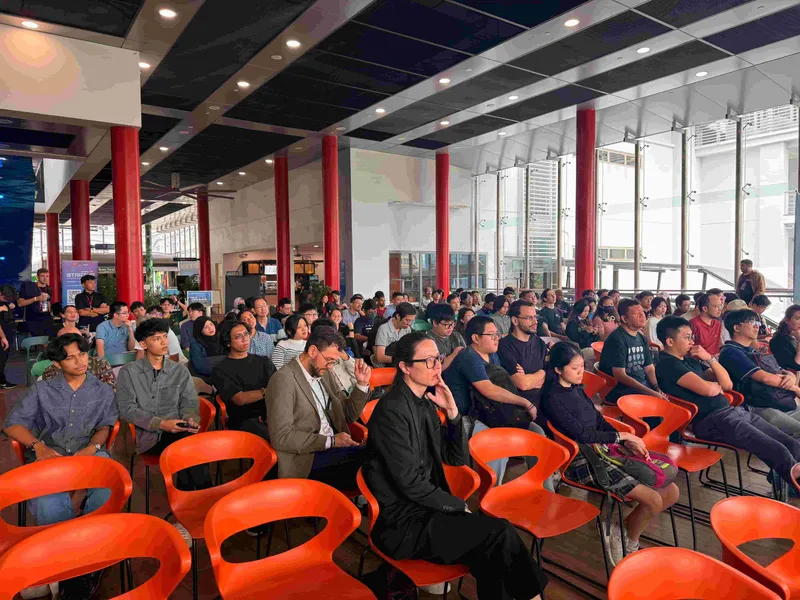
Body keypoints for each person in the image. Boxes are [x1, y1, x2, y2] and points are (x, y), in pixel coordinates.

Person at [363, 333, 548, 600]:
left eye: (437, 358)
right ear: (405, 367)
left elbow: (455, 459)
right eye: (428, 361)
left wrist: (452, 415)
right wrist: (455, 505)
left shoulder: (425, 404)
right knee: (497, 535)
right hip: (402, 521)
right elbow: (409, 483)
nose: (437, 366)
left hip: (428, 508)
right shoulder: (391, 411)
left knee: (495, 545)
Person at [542, 341, 679, 565]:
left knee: (671, 491)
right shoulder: (552, 397)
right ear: (558, 369)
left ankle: (621, 528)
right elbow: (582, 434)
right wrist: (620, 437)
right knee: (653, 500)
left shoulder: (576, 389)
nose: (581, 372)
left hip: (602, 448)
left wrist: (626, 441)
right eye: (575, 368)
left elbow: (598, 421)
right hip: (582, 458)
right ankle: (628, 539)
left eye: (582, 366)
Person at [3, 333, 118, 599]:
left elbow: (105, 425)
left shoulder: (101, 390)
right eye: (70, 358)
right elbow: (12, 425)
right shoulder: (42, 390)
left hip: (88, 453)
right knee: (48, 503)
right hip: (51, 455)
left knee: (108, 486)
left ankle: (89, 551)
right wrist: (38, 446)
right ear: (57, 363)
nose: (80, 361)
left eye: (82, 354)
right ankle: (73, 564)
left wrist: (93, 447)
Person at [656, 315, 800, 490]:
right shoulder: (667, 364)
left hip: (732, 412)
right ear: (670, 341)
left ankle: (790, 483)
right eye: (687, 337)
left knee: (790, 444)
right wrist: (712, 386)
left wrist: (709, 358)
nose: (692, 341)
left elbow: (726, 384)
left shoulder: (689, 361)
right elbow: (708, 390)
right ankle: (793, 485)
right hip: (711, 421)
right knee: (778, 451)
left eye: (691, 336)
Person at [442, 316, 550, 486]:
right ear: (475, 338)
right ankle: (492, 493)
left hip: (490, 411)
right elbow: (489, 389)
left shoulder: (491, 355)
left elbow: (501, 382)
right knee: (497, 449)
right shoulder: (469, 357)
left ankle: (541, 486)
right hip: (468, 418)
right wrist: (525, 403)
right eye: (491, 335)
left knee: (537, 434)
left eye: (497, 334)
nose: (496, 338)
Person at [116, 318, 211, 503]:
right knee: (190, 449)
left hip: (180, 430)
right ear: (143, 344)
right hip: (150, 436)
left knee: (189, 447)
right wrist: (162, 424)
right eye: (156, 338)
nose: (164, 342)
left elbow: (190, 402)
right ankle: (202, 503)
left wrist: (190, 418)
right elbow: (126, 409)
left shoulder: (179, 371)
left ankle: (191, 503)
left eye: (165, 337)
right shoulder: (129, 372)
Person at [266, 327, 372, 488]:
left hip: (333, 448)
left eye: (334, 362)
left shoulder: (324, 373)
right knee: (374, 463)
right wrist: (331, 441)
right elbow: (282, 437)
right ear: (313, 351)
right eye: (329, 360)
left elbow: (348, 415)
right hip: (306, 459)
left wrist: (362, 384)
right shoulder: (283, 380)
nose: (331, 366)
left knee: (378, 455)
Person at [720, 309, 800, 439]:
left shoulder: (751, 350)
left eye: (757, 322)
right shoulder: (731, 352)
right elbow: (764, 378)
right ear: (736, 328)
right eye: (751, 322)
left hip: (775, 399)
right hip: (755, 405)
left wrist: (790, 377)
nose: (757, 326)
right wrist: (793, 386)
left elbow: (781, 371)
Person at [212, 320, 276, 442]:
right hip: (245, 419)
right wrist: (267, 391)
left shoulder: (263, 361)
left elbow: (278, 385)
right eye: (238, 336)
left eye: (246, 334)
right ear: (228, 342)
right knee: (275, 438)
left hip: (272, 413)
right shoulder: (220, 369)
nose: (244, 339)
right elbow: (240, 399)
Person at [599, 299, 664, 404]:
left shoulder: (641, 338)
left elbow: (649, 368)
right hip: (621, 389)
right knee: (656, 403)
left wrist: (656, 388)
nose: (642, 316)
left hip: (641, 384)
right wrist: (650, 392)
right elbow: (620, 375)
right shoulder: (617, 339)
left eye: (642, 312)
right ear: (624, 319)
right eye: (636, 314)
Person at [497, 300, 547, 427]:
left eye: (535, 317)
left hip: (545, 400)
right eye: (529, 318)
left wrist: (534, 376)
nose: (535, 321)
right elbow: (523, 384)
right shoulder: (505, 346)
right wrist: (541, 373)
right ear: (515, 320)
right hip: (521, 407)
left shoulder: (539, 343)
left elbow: (550, 375)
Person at [372, 302, 415, 367]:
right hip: (385, 366)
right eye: (407, 320)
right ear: (398, 316)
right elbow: (380, 357)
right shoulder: (383, 329)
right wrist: (400, 360)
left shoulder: (407, 329)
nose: (409, 323)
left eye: (412, 321)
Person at [18, 267, 56, 337]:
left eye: (47, 276)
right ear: (37, 277)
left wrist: (50, 312)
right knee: (37, 339)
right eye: (42, 276)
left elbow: (49, 302)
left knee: (49, 338)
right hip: (33, 319)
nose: (45, 278)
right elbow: (20, 303)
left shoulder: (49, 288)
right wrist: (36, 299)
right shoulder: (28, 287)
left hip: (46, 318)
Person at [426, 304, 466, 369]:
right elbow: (434, 369)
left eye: (452, 323)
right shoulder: (427, 341)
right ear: (435, 323)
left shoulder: (456, 335)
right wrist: (454, 354)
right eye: (447, 324)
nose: (451, 327)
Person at [770, 305, 800, 371]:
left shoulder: (795, 337)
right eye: (797, 319)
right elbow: (797, 366)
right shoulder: (777, 341)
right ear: (787, 320)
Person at [0, 287, 15, 389]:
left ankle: (2, 380)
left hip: (7, 332)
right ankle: (2, 381)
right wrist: (3, 337)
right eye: (5, 297)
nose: (6, 299)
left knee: (3, 358)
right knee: (1, 358)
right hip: (2, 334)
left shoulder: (4, 303)